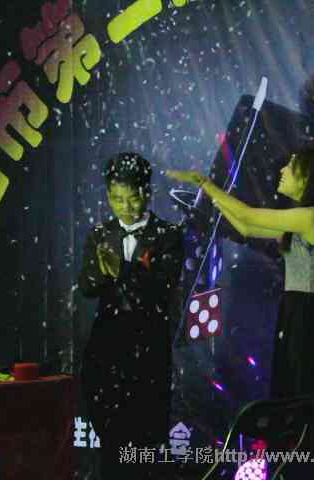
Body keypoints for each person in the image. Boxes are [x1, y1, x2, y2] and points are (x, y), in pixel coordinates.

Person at [167, 147, 314, 479]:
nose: (283, 170)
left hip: (307, 316)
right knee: (293, 395)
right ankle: (289, 468)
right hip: (299, 313)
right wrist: (212, 198)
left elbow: (248, 214)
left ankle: (305, 470)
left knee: (304, 396)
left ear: (309, 177)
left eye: (291, 166)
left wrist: (205, 183)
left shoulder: (311, 217)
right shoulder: (303, 219)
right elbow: (246, 227)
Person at [78, 152, 184, 480]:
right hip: (106, 350)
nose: (125, 207)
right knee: (109, 442)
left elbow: (161, 291)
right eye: (116, 199)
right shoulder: (100, 233)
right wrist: (101, 271)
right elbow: (87, 287)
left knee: (144, 441)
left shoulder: (168, 235)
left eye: (133, 198)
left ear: (147, 192)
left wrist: (120, 270)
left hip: (148, 351)